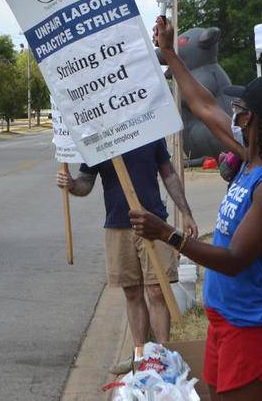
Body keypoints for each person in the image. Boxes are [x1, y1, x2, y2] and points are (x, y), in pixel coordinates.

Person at [130, 16, 262, 400]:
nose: (234, 114)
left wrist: (167, 233)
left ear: (256, 119)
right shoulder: (250, 158)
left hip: (253, 328)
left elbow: (234, 259)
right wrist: (172, 55)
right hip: (225, 320)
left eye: (241, 109)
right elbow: (204, 104)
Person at [56, 139, 197, 372]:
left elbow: (169, 175)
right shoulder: (97, 139)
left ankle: (161, 360)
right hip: (117, 225)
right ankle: (140, 357)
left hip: (154, 223)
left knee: (156, 291)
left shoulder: (149, 130)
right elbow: (86, 183)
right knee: (132, 292)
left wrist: (186, 212)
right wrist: (70, 184)